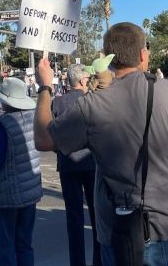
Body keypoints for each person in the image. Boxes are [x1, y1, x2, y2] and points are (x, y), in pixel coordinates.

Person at [34, 22, 168, 266]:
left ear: (110, 58)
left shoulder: (93, 104)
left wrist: (45, 87)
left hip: (119, 230)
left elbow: (43, 138)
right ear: (143, 54)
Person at [0, 77, 42, 266]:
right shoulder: (33, 119)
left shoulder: (4, 125)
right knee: (25, 244)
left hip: (8, 194)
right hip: (30, 191)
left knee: (5, 245)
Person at [52, 64, 102, 266]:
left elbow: (52, 133)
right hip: (91, 164)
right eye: (88, 78)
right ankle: (99, 260)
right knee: (97, 216)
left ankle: (77, 262)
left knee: (74, 218)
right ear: (82, 81)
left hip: (67, 164)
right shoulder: (93, 101)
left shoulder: (57, 103)